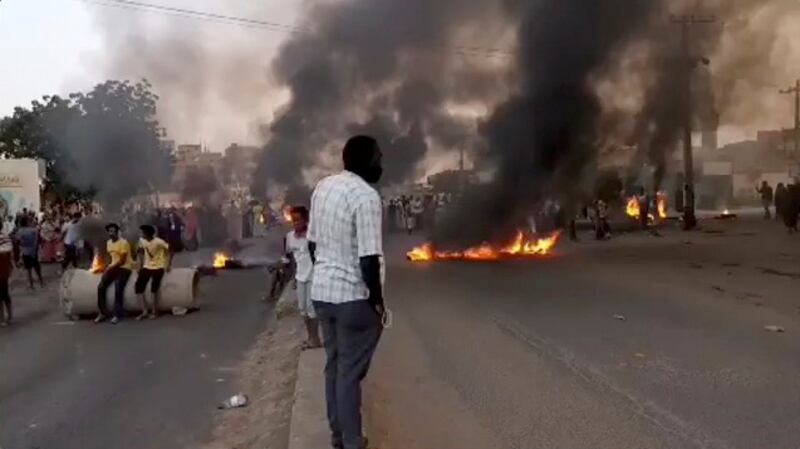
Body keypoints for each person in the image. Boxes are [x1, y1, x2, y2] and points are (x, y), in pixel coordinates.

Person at [309, 135, 385, 449]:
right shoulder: (366, 196)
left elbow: (313, 245)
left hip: (322, 294)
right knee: (349, 372)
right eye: (379, 157)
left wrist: (327, 271)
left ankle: (338, 436)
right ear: (367, 160)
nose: (381, 163)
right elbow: (369, 258)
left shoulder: (323, 187)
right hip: (353, 297)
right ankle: (352, 442)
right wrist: (377, 302)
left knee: (335, 366)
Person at [285, 206, 321, 350]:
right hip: (300, 277)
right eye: (293, 220)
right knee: (303, 310)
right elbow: (291, 258)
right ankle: (310, 337)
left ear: (306, 220)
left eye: (298, 220)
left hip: (313, 276)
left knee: (312, 310)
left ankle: (315, 339)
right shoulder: (289, 237)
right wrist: (293, 277)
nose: (295, 223)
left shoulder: (312, 236)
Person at [95, 223, 134, 325]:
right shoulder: (109, 243)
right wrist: (105, 267)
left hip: (124, 268)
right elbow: (111, 258)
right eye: (109, 231)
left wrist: (110, 268)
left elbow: (122, 260)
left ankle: (117, 314)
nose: (111, 233)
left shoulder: (123, 243)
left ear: (117, 232)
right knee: (101, 287)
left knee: (118, 287)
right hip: (113, 267)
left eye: (113, 231)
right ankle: (102, 312)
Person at [135, 224, 171, 320]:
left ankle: (155, 311)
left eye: (142, 232)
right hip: (147, 267)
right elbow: (140, 252)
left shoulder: (159, 242)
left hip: (158, 267)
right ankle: (144, 311)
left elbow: (169, 250)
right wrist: (139, 265)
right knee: (138, 287)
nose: (141, 234)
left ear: (147, 234)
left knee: (154, 288)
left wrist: (168, 264)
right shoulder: (141, 241)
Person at [16, 216, 44, 290]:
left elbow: (19, 241)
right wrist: (34, 250)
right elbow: (36, 241)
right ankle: (41, 282)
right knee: (37, 268)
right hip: (33, 251)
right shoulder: (34, 230)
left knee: (28, 269)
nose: (30, 222)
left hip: (25, 252)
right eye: (29, 221)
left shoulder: (20, 231)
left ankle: (31, 285)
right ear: (27, 222)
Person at [0, 228, 13, 326]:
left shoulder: (4, 236)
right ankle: (5, 317)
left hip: (2, 270)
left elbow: (7, 249)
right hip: (3, 270)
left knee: (3, 294)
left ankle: (5, 316)